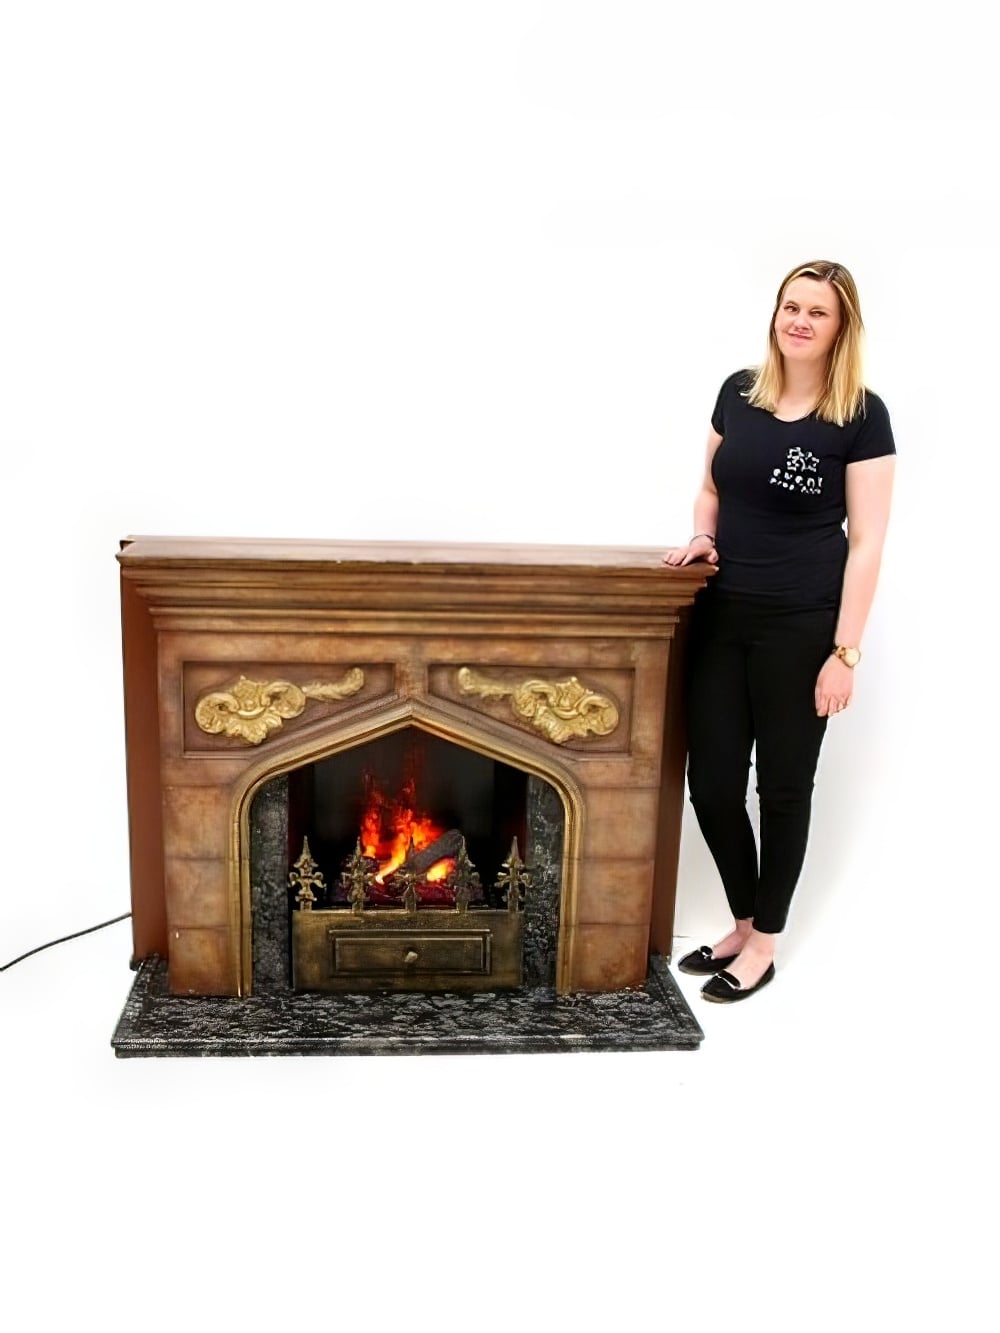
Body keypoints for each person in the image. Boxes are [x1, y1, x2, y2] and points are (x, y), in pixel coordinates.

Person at [664, 260, 895, 1003]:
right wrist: (702, 536)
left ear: (841, 327)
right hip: (722, 616)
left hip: (801, 627)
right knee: (712, 785)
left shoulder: (861, 415)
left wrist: (844, 652)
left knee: (784, 787)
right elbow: (710, 487)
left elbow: (867, 542)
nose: (799, 321)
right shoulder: (738, 393)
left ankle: (764, 941)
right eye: (790, 306)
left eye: (817, 312)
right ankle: (743, 918)